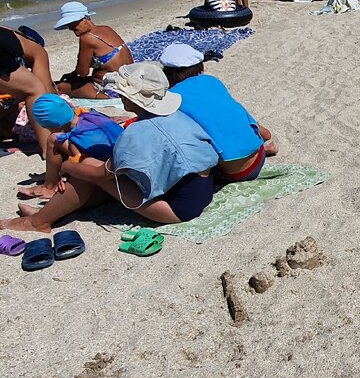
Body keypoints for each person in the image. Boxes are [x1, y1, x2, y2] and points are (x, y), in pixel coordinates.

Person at [0, 63, 218, 234]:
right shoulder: (178, 116)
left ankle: (39, 221)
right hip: (200, 191)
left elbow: (101, 174)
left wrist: (67, 167)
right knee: (102, 175)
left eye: (123, 94)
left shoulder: (137, 133)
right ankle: (50, 212)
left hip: (175, 208)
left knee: (87, 171)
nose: (120, 96)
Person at [160, 43, 277, 180]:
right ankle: (264, 146)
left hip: (234, 173)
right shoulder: (211, 81)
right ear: (199, 66)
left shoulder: (171, 98)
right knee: (228, 112)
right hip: (258, 156)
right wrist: (266, 136)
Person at [19, 94, 124, 200]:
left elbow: (78, 162)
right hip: (116, 153)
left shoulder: (77, 140)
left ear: (55, 126)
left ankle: (50, 185)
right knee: (58, 138)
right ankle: (51, 176)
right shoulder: (90, 116)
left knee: (53, 139)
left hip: (107, 168)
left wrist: (65, 176)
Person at [53, 1, 132, 99]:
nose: (70, 28)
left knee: (59, 87)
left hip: (112, 90)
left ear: (85, 19)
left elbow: (83, 72)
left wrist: (75, 73)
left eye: (73, 24)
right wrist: (73, 74)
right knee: (70, 82)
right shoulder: (106, 29)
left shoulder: (86, 38)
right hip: (129, 83)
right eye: (69, 25)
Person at [0, 26, 55, 156]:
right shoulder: (38, 51)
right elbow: (46, 95)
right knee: (35, 90)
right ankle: (49, 150)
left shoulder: (9, 33)